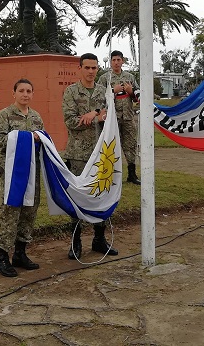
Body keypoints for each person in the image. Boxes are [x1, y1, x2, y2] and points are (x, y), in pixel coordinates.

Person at [62, 53, 118, 259]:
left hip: (102, 152)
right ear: (80, 68)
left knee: (101, 195)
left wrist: (94, 113)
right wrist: (96, 115)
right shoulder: (71, 92)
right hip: (79, 154)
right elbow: (70, 122)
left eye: (94, 68)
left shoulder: (104, 92)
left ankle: (99, 239)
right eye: (87, 67)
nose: (91, 71)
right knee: (78, 197)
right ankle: (75, 242)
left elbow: (110, 116)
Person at [0, 79, 45, 277]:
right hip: (11, 174)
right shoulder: (5, 115)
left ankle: (20, 253)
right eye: (21, 90)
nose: (25, 94)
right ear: (13, 93)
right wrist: (27, 138)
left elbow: (43, 140)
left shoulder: (36, 117)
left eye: (29, 91)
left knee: (28, 212)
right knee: (9, 213)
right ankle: (2, 257)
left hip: (32, 173)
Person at [96, 50, 140, 184]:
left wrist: (130, 91)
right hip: (111, 118)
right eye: (113, 60)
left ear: (122, 61)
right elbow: (98, 97)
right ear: (110, 61)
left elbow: (138, 95)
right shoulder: (104, 78)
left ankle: (132, 174)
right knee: (111, 144)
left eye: (118, 60)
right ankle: (110, 174)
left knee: (130, 144)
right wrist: (111, 91)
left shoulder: (130, 77)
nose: (116, 62)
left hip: (128, 116)